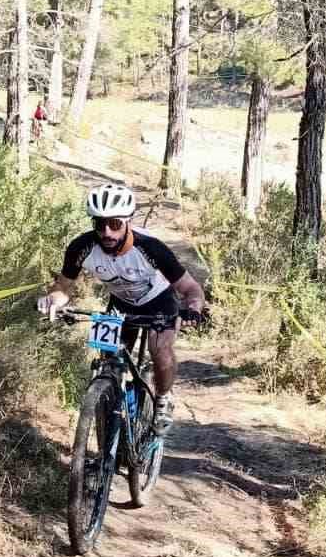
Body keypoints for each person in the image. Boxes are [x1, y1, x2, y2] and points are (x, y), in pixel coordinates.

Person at [37, 183, 205, 434]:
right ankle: (109, 426)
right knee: (107, 360)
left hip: (159, 302)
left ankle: (162, 400)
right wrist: (53, 300)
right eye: (99, 224)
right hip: (120, 304)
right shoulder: (81, 247)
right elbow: (63, 287)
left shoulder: (151, 247)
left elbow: (191, 288)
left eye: (115, 224)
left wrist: (193, 308)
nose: (106, 232)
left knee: (160, 350)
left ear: (127, 222)